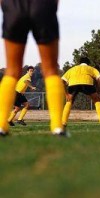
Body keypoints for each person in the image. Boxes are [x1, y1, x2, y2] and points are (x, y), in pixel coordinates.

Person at [0, 0, 65, 136]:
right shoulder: (27, 77)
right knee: (51, 70)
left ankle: (1, 125)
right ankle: (57, 127)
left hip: (14, 5)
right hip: (42, 5)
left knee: (11, 71)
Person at [61, 57, 100, 127]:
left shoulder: (72, 69)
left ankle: (63, 123)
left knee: (69, 101)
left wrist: (66, 94)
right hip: (87, 84)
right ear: (88, 63)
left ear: (79, 63)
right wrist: (97, 92)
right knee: (97, 100)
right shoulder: (91, 68)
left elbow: (61, 81)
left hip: (73, 84)